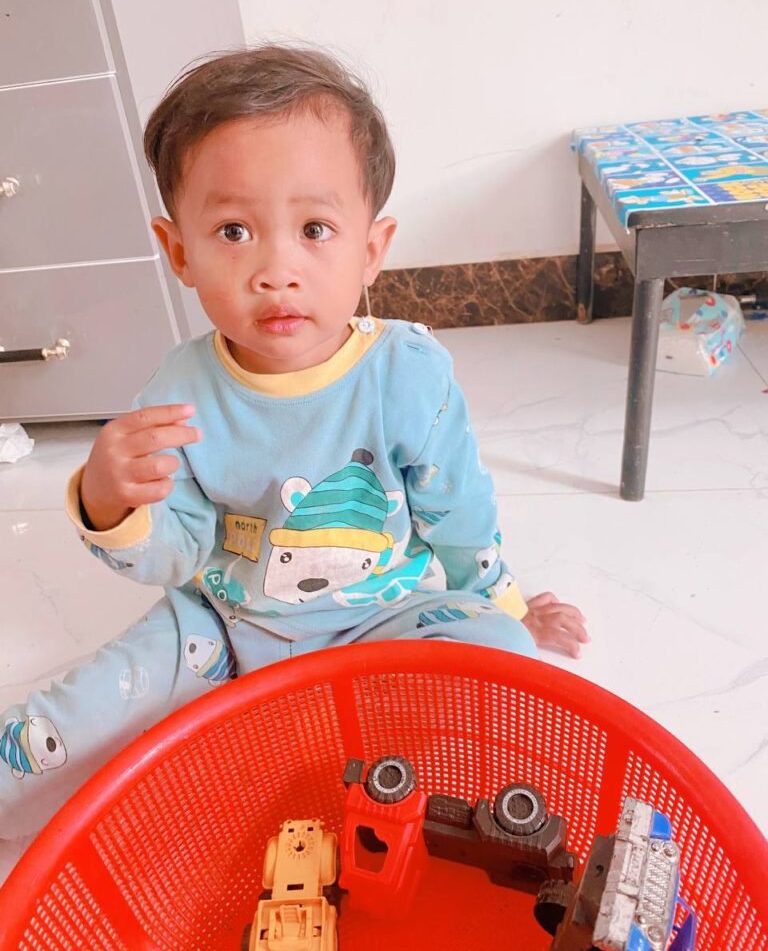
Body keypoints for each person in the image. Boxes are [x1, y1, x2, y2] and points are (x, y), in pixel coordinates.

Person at [0, 45, 588, 838]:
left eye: (315, 229)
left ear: (370, 249)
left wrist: (506, 602)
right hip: (224, 626)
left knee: (502, 658)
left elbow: (459, 513)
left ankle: (350, 778)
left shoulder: (407, 373)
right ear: (179, 252)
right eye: (234, 230)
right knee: (62, 728)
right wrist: (111, 506)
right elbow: (176, 553)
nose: (276, 269)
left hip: (387, 614)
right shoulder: (177, 392)